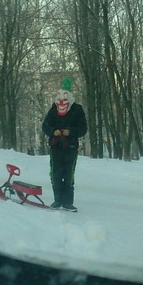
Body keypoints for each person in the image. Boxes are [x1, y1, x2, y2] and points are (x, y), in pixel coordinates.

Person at [42, 77, 87, 212]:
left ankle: (68, 202)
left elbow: (83, 128)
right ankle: (57, 200)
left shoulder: (78, 110)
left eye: (65, 99)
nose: (62, 102)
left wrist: (71, 132)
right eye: (60, 99)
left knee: (69, 174)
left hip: (71, 148)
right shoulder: (53, 110)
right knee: (55, 174)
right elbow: (45, 126)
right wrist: (53, 131)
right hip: (56, 148)